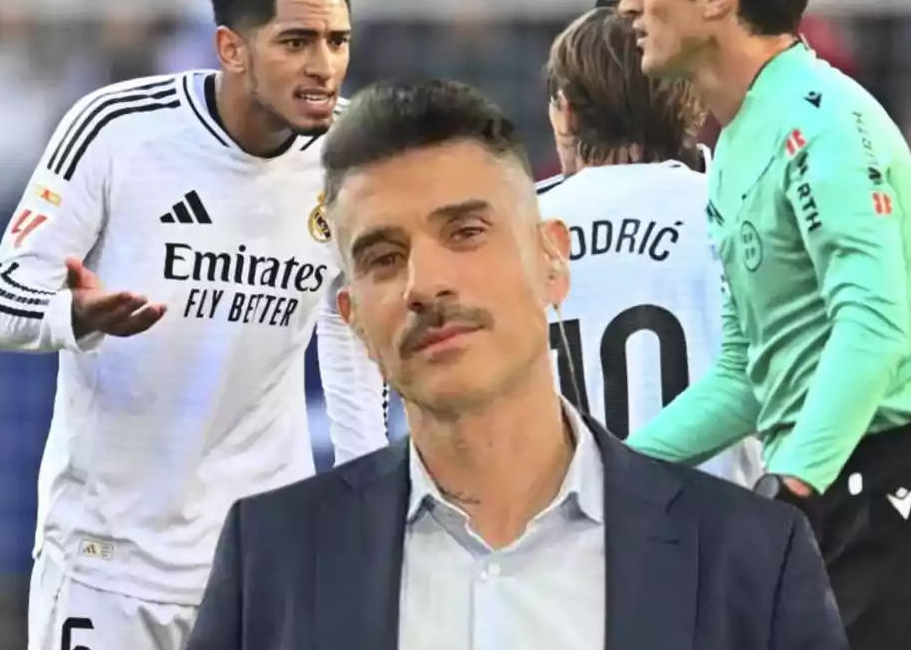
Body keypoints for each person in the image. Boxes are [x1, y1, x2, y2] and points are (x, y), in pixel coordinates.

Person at [185, 79, 847, 650]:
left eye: (465, 233)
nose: (426, 283)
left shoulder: (753, 558)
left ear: (554, 260)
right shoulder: (269, 557)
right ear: (355, 318)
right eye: (384, 256)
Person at [618, 0, 911, 650]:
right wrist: (612, 466)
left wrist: (793, 480)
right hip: (832, 498)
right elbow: (746, 374)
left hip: (899, 495)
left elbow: (872, 321)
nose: (630, 2)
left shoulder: (825, 120)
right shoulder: (730, 148)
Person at [0, 0, 389, 650]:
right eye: (296, 42)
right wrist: (72, 314)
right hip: (108, 557)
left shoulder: (357, 153)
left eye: (337, 41)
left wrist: (370, 497)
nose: (324, 66)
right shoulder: (117, 130)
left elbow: (350, 331)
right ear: (231, 48)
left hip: (263, 554)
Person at [540, 0, 761, 485]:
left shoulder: (512, 235)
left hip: (565, 537)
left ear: (567, 112)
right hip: (720, 533)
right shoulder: (735, 212)